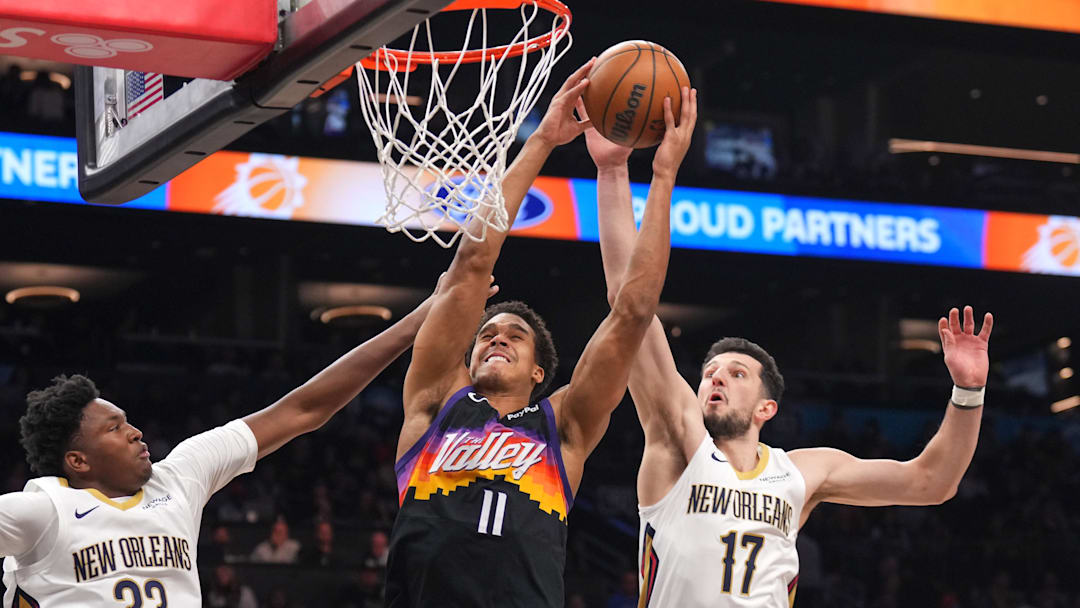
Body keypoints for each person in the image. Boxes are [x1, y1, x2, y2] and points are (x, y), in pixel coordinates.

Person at [586, 121, 994, 607]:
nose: (715, 376)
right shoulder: (677, 441)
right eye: (710, 372)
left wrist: (968, 392)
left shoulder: (803, 472)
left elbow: (933, 482)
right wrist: (612, 171)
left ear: (767, 409)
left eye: (736, 373)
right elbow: (629, 306)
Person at [384, 61, 698, 607]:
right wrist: (544, 140)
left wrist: (664, 176)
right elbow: (472, 261)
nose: (496, 337)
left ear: (538, 372)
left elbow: (634, 312)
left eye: (513, 335)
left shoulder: (564, 425)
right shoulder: (436, 402)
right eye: (486, 333)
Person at [0, 277, 486, 606]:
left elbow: (302, 409)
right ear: (77, 460)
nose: (135, 432)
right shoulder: (44, 510)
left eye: (127, 421)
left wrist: (415, 322)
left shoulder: (181, 474)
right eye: (114, 428)